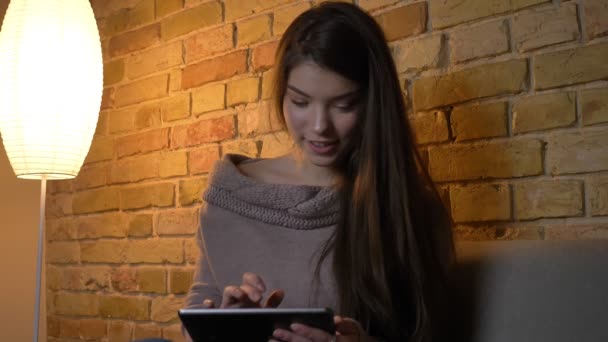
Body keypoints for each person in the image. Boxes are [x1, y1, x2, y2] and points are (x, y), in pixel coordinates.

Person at [184, 2, 455, 341]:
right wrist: (227, 326)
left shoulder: (412, 212)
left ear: (373, 103)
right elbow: (195, 316)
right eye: (300, 102)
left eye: (344, 105)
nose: (319, 126)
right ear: (282, 95)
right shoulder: (230, 195)